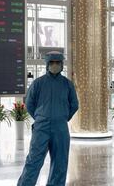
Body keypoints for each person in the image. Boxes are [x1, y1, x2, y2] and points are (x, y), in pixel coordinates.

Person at [17, 51, 79, 186]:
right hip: (41, 127)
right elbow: (29, 104)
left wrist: (62, 117)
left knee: (60, 162)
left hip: (60, 128)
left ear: (62, 65)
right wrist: (40, 117)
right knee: (34, 160)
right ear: (47, 64)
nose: (55, 65)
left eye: (57, 63)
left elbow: (74, 104)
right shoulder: (38, 83)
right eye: (52, 62)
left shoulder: (67, 84)